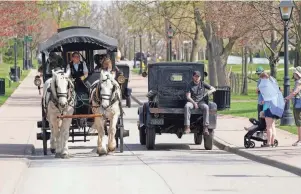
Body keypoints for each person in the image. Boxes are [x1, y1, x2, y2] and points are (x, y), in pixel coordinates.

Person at [184, 71, 216, 135]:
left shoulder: (203, 83)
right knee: (187, 106)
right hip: (191, 101)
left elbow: (213, 89)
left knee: (206, 107)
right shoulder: (189, 85)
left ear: (200, 77)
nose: (197, 78)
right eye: (195, 76)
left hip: (201, 102)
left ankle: (205, 128)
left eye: (198, 76)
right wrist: (194, 103)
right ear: (193, 77)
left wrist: (207, 93)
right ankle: (187, 127)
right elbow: (188, 97)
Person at [258, 71, 284, 147]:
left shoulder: (264, 87)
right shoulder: (273, 85)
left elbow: (263, 100)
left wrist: (263, 101)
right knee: (273, 126)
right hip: (275, 107)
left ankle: (268, 143)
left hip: (268, 108)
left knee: (268, 126)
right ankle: (272, 142)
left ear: (263, 78)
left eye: (261, 78)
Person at [284, 66, 301, 146]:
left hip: (298, 103)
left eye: (294, 72)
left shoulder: (299, 81)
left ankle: (300, 140)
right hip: (298, 102)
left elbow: (295, 92)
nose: (293, 74)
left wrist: (287, 98)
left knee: (299, 122)